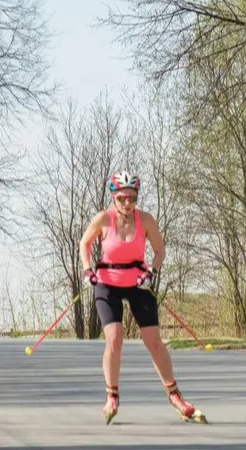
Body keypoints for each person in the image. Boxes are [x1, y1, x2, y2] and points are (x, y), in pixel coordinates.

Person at [78, 171, 206, 425]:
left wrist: (151, 273)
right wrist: (87, 270)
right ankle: (112, 396)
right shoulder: (103, 219)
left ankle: (175, 396)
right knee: (115, 338)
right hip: (107, 282)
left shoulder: (145, 220)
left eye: (132, 198)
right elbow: (85, 244)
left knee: (154, 342)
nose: (128, 203)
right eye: (122, 198)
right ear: (113, 197)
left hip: (137, 282)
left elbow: (160, 251)